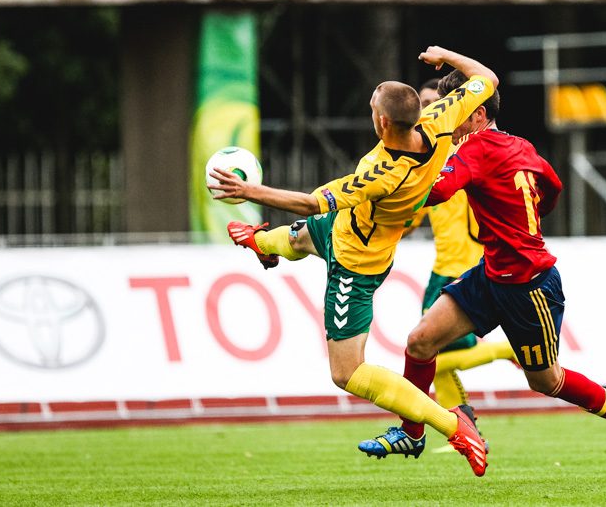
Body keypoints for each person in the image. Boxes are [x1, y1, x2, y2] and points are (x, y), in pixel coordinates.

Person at [208, 47, 497, 477]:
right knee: (305, 237)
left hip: (356, 263)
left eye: (371, 107)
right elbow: (487, 77)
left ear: (382, 122)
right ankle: (264, 244)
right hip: (344, 228)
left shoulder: (382, 172)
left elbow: (309, 201)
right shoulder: (440, 120)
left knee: (346, 373)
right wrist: (447, 58)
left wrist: (249, 192)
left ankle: (452, 425)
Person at [360, 69, 606, 465]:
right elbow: (553, 186)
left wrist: (375, 186)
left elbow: (437, 191)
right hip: (491, 271)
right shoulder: (520, 145)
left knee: (547, 380)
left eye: (455, 112)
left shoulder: (472, 149)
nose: (447, 122)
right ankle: (412, 432)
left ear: (477, 115)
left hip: (529, 286)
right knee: (421, 341)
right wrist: (528, 216)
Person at [369, 79, 518, 455]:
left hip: (462, 265)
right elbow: (413, 212)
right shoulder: (436, 155)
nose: (430, 111)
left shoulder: (459, 153)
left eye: (438, 103)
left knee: (434, 350)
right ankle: (463, 421)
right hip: (444, 264)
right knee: (429, 350)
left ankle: (505, 352)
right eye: (426, 105)